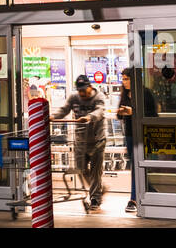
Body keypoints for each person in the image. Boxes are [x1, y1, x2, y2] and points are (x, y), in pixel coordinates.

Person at [52, 75, 106, 210]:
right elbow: (64, 109)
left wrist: (89, 117)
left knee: (95, 171)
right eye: (79, 90)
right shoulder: (74, 97)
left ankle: (95, 198)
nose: (82, 93)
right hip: (80, 140)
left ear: (90, 87)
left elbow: (100, 111)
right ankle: (99, 188)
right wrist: (52, 117)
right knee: (81, 169)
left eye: (84, 90)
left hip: (97, 139)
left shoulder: (99, 96)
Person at [117, 67, 157, 213]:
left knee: (137, 166)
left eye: (127, 79)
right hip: (129, 134)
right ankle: (151, 191)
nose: (124, 82)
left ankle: (133, 198)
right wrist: (121, 112)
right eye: (123, 79)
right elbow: (120, 116)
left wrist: (133, 112)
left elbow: (152, 113)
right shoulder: (124, 94)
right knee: (136, 166)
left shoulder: (144, 93)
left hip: (143, 133)